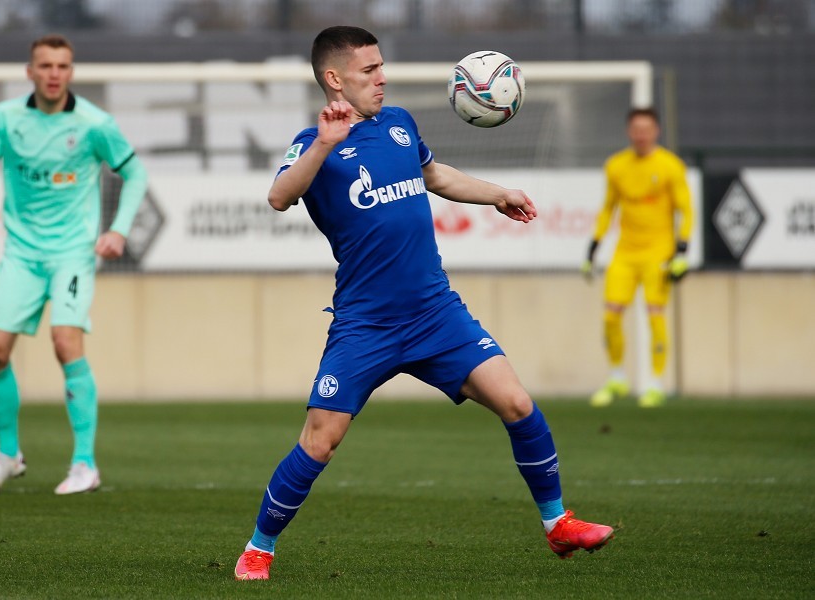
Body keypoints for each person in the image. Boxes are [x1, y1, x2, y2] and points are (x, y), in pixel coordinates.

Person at [233, 25, 613, 581]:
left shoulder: (399, 123)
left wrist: (498, 194)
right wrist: (322, 144)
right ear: (335, 78)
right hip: (366, 325)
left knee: (518, 404)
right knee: (320, 441)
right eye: (369, 70)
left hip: (436, 313)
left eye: (382, 66)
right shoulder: (313, 143)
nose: (382, 77)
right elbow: (279, 196)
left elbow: (434, 175)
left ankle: (558, 524)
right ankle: (258, 548)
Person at [0, 34, 148, 494]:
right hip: (20, 255)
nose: (53, 74)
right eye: (44, 65)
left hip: (72, 254)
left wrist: (119, 229)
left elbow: (135, 173)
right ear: (30, 71)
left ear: (71, 72)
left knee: (66, 342)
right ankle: (8, 454)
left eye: (62, 66)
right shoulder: (6, 118)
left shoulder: (93, 123)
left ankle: (84, 463)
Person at [581, 107, 693, 409]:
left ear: (656, 132)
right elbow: (608, 208)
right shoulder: (616, 166)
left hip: (659, 252)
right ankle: (617, 377)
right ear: (629, 132)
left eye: (646, 129)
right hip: (625, 252)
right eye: (636, 129)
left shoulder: (670, 166)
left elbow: (686, 209)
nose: (641, 135)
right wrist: (594, 246)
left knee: (655, 313)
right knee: (610, 314)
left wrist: (682, 251)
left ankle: (655, 384)